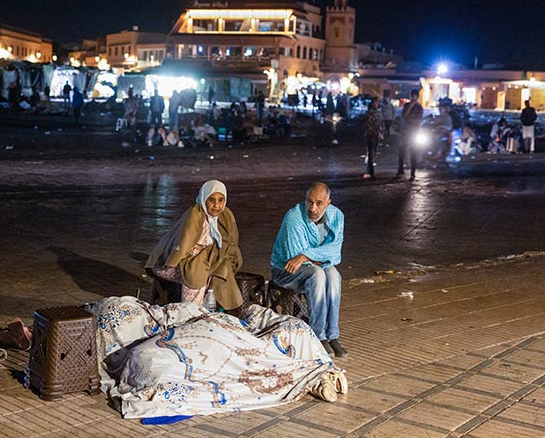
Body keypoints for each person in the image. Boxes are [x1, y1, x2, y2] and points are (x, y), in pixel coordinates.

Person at [85, 296, 348, 419]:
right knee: (151, 357)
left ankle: (318, 373)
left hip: (220, 330)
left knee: (153, 359)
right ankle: (316, 372)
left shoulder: (283, 331)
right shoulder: (128, 329)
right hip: (207, 331)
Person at [270, 182, 347, 358]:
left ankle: (332, 335)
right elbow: (292, 258)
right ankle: (318, 336)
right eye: (309, 202)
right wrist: (314, 257)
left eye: (319, 203)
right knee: (318, 274)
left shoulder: (337, 216)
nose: (312, 208)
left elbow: (335, 252)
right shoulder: (294, 217)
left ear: (328, 203)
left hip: (309, 265)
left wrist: (306, 256)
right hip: (284, 271)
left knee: (334, 275)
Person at [145, 180, 244, 310]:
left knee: (219, 269)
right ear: (204, 199)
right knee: (197, 273)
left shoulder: (226, 215)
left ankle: (215, 313)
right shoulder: (195, 215)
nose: (216, 205)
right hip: (170, 264)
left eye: (221, 200)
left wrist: (212, 253)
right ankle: (191, 314)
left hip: (205, 262)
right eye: (211, 200)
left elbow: (231, 243)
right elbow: (184, 246)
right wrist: (205, 252)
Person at [395, 89, 423, 180]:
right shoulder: (407, 105)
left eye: (414, 96)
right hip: (406, 130)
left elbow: (417, 120)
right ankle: (400, 170)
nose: (412, 98)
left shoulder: (419, 107)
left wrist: (411, 118)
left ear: (417, 97)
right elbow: (404, 116)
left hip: (414, 131)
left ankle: (412, 172)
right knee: (402, 150)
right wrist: (410, 107)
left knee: (413, 152)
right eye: (411, 96)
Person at [364, 97, 380, 179]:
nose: (376, 104)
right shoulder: (370, 113)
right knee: (371, 153)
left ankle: (369, 170)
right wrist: (375, 132)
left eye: (377, 103)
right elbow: (369, 125)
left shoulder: (376, 112)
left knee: (372, 153)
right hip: (371, 135)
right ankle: (370, 172)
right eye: (375, 103)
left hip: (375, 134)